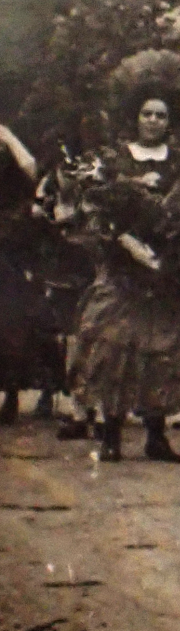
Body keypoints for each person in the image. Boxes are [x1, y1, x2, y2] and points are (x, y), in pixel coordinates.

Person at [61, 50, 180, 463]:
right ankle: (110, 434)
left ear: (170, 121)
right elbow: (97, 211)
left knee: (160, 351)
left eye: (161, 116)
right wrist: (127, 242)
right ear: (135, 115)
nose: (153, 122)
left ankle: (156, 435)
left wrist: (177, 246)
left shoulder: (179, 163)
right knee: (116, 350)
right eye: (147, 114)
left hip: (165, 270)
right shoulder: (114, 159)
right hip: (125, 268)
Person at [0, 124, 63, 425]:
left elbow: (31, 169)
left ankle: (12, 392)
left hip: (8, 235)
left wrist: (8, 136)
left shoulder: (5, 143)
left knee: (12, 318)